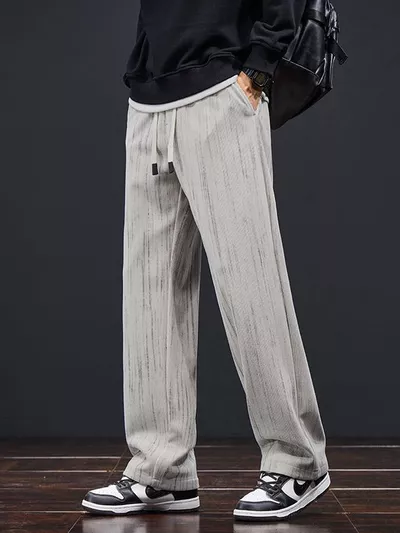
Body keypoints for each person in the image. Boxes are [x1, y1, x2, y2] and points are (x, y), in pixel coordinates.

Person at [81, 0, 331, 521]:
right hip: (150, 96)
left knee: (250, 284)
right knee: (151, 293)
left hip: (224, 88)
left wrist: (260, 66)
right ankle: (161, 468)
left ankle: (298, 460)